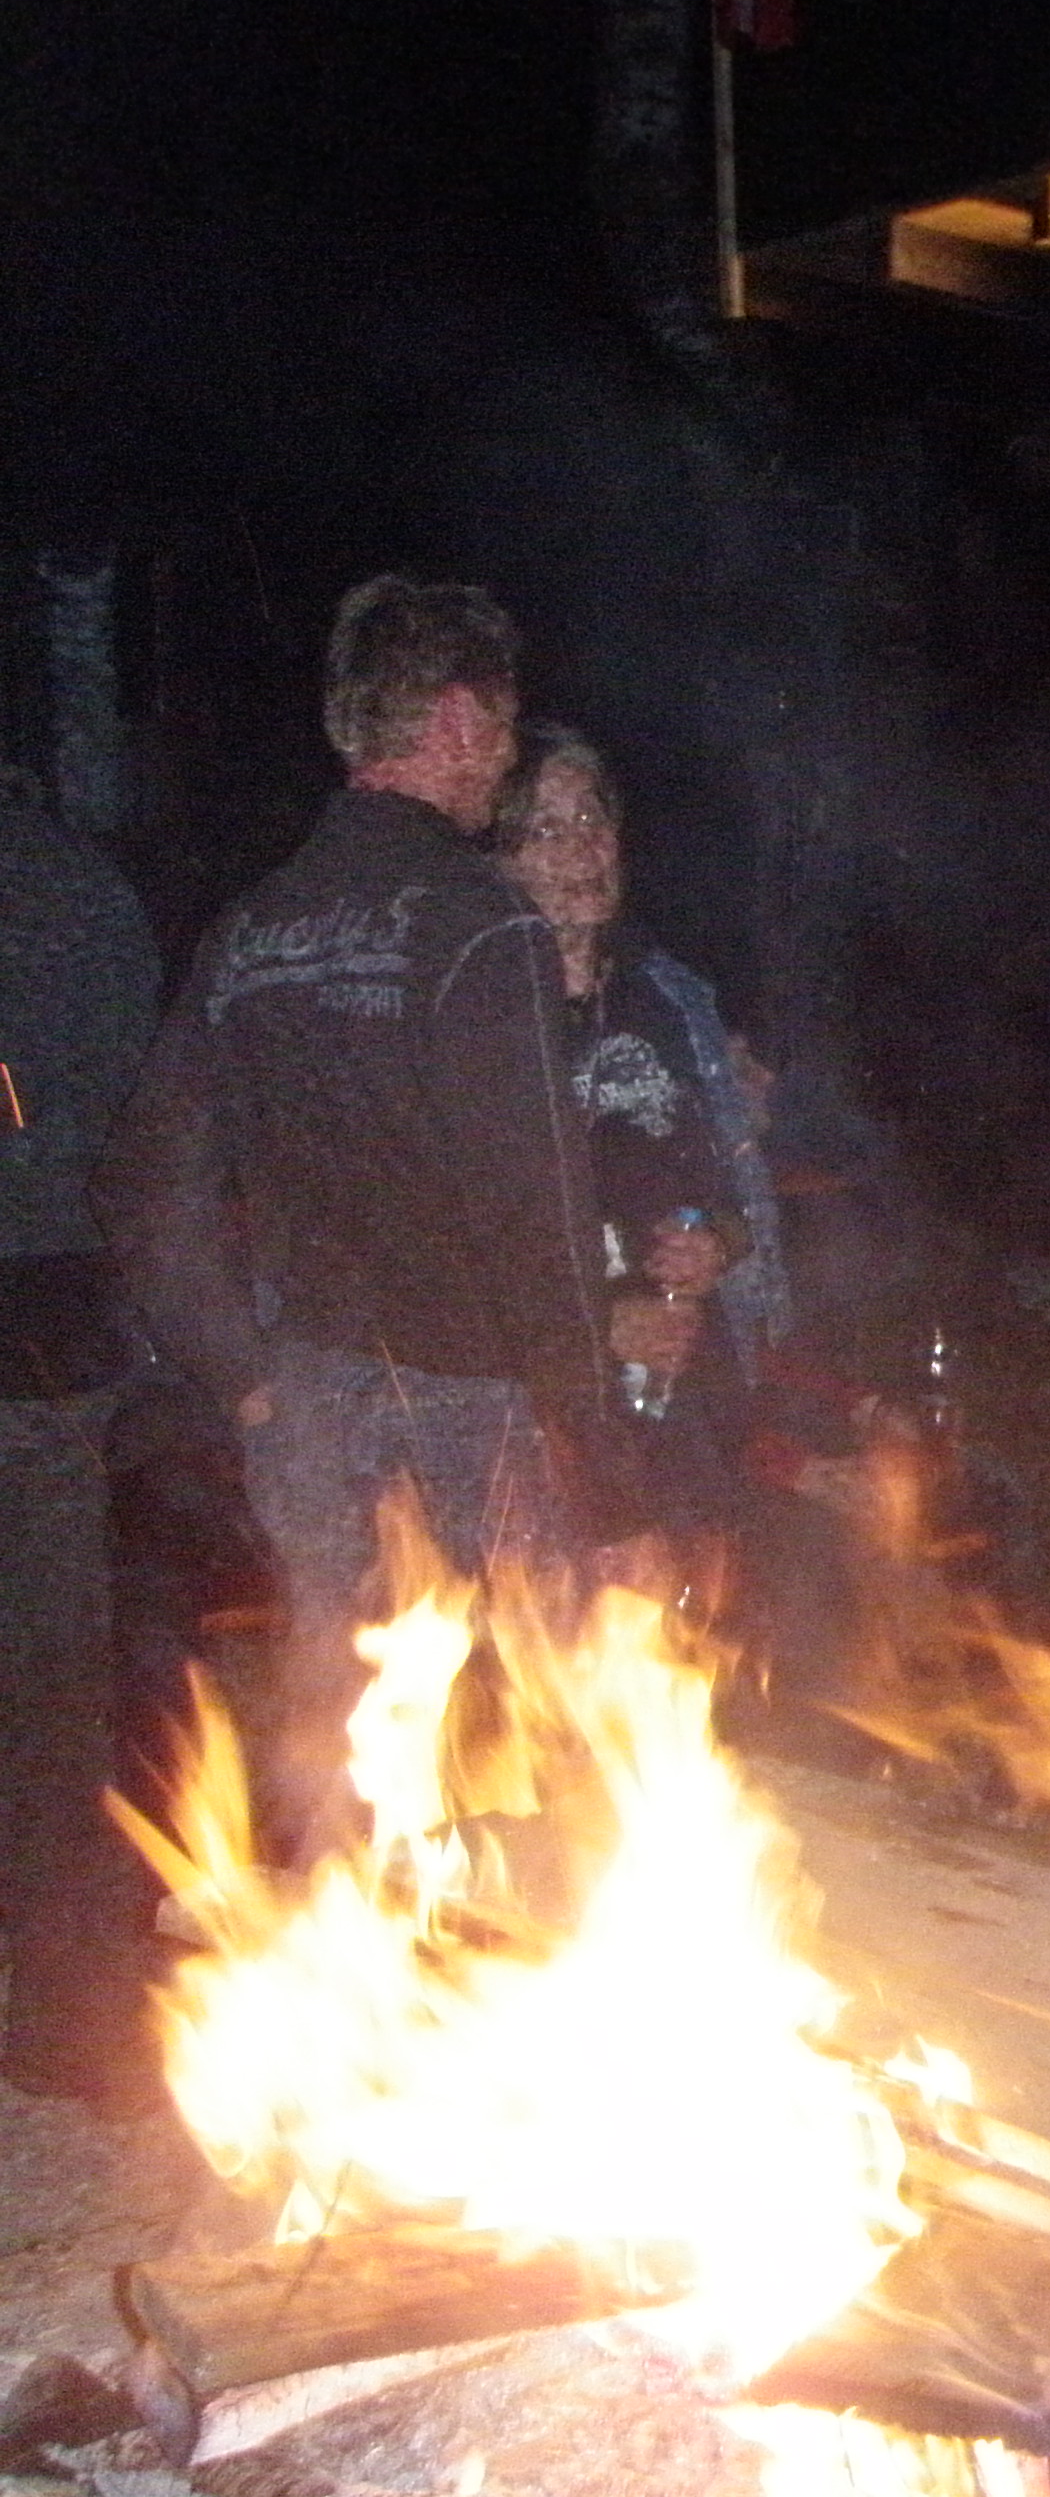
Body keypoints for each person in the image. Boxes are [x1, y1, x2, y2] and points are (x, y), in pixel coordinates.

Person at [99, 576, 630, 1849]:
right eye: (501, 726)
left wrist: (248, 1377)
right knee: (536, 1724)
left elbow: (142, 1185)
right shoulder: (477, 922)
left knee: (341, 1726)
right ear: (455, 720)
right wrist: (586, 1429)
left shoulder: (249, 932)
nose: (504, 755)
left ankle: (340, 1946)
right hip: (474, 1410)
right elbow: (539, 1205)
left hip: (310, 1401)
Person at [485, 727, 757, 1545]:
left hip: (686, 1392)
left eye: (592, 819)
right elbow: (459, 1238)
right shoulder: (480, 1018)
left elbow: (737, 1200)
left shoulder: (670, 1001)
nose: (582, 848)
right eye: (546, 828)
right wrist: (599, 1329)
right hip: (543, 1416)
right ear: (499, 861)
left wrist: (717, 1245)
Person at [0, 768, 161, 2101]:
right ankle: (68, 1999)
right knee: (55, 1684)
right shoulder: (80, 888)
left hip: (42, 1343)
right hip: (59, 1333)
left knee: (57, 1685)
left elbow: (89, 1119)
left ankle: (73, 2006)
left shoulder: (60, 898)